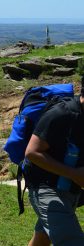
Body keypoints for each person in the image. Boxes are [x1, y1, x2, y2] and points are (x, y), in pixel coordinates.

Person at [24, 78, 84, 246]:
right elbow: (32, 152)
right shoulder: (62, 114)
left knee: (42, 239)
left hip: (71, 190)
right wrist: (74, 174)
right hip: (45, 187)